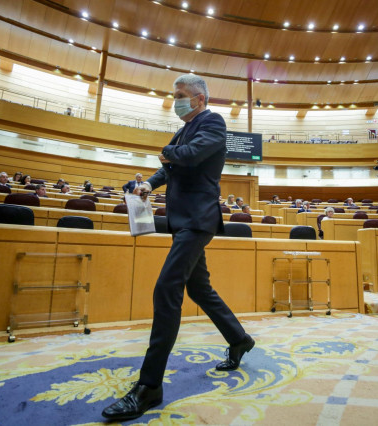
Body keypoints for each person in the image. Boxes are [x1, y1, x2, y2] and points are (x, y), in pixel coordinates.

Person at [102, 74, 253, 421]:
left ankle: (149, 386)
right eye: (175, 95)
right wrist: (148, 186)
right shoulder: (186, 128)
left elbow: (187, 156)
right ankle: (239, 338)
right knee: (200, 288)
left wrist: (168, 152)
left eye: (181, 95)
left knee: (167, 289)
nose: (176, 101)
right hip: (181, 220)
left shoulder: (212, 122)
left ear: (199, 98)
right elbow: (169, 167)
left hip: (199, 220)